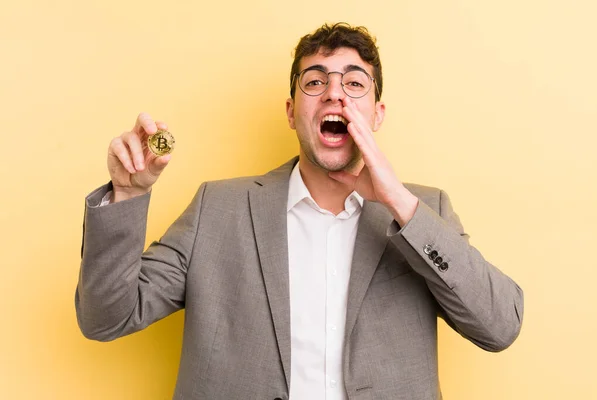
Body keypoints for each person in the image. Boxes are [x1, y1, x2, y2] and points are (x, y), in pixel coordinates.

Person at [76, 22, 524, 400]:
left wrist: (399, 204)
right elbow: (106, 318)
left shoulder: (425, 210)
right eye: (315, 81)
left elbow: (499, 326)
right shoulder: (218, 208)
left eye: (354, 83)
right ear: (292, 112)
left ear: (377, 113)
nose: (334, 94)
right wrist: (128, 195)